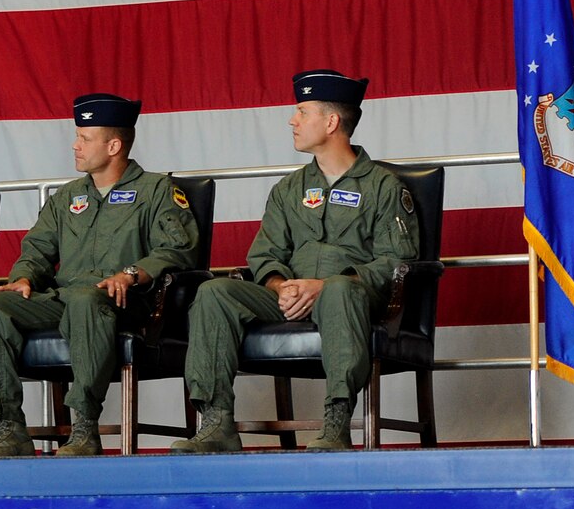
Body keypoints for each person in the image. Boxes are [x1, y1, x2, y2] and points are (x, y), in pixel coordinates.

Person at [174, 70, 419, 454]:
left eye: (302, 111)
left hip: (350, 299)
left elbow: (397, 260)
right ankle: (217, 421)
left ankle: (336, 421)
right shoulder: (289, 189)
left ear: (332, 121)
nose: (293, 120)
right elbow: (265, 254)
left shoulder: (382, 187)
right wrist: (280, 286)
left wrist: (323, 286)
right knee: (214, 292)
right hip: (289, 297)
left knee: (338, 289)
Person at [0, 94, 199, 458]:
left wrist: (131, 274)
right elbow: (37, 249)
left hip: (124, 300)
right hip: (66, 298)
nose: (75, 146)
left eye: (84, 138)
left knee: (85, 299)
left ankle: (84, 427)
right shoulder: (68, 197)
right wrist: (25, 276)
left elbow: (177, 250)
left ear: (114, 145)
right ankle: (9, 429)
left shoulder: (156, 190)